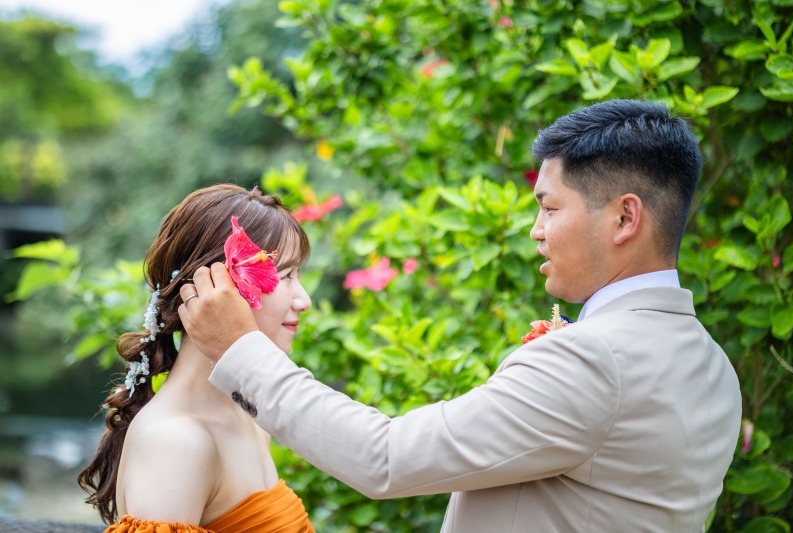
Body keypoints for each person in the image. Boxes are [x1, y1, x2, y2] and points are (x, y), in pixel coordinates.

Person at [178, 100, 743, 532]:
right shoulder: (714, 367)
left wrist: (240, 351)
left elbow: (386, 458)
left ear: (624, 219)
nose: (535, 230)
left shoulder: (596, 358)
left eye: (549, 207)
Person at [78, 184, 315, 532]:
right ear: (213, 288)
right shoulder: (176, 441)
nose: (304, 299)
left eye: (298, 276)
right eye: (284, 277)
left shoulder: (247, 413)